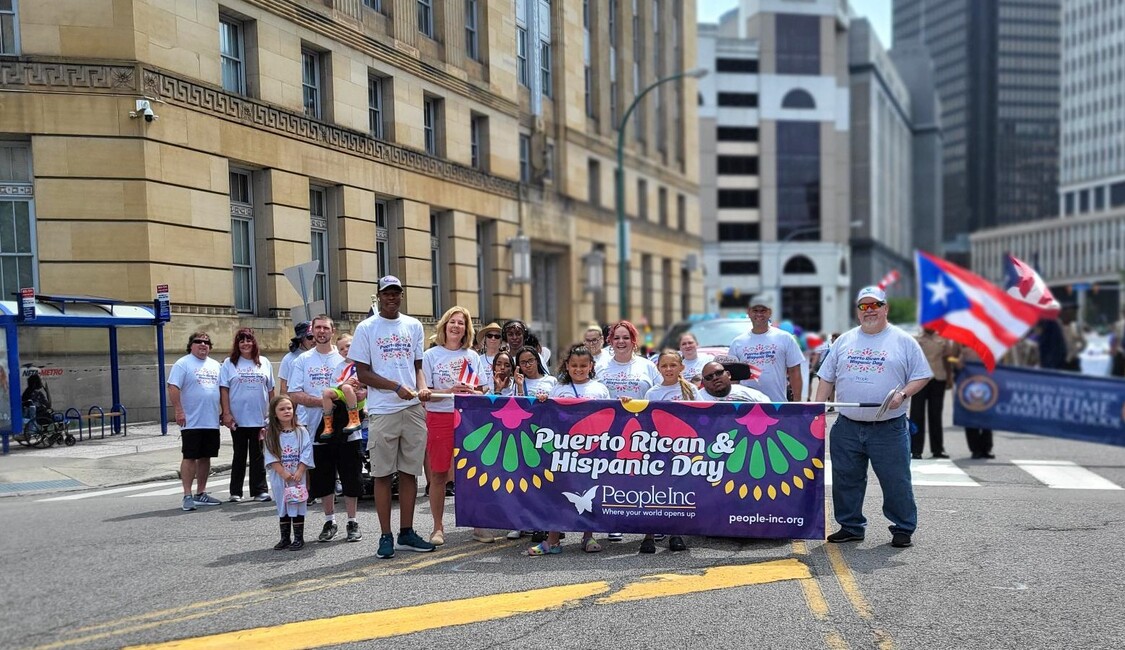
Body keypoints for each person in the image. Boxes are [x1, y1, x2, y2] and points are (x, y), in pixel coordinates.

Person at [815, 287, 932, 549]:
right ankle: (850, 526)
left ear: (886, 308)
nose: (869, 311)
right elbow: (827, 377)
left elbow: (921, 375)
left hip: (888, 427)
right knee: (846, 479)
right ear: (857, 312)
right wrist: (817, 409)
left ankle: (902, 527)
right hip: (847, 426)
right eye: (863, 306)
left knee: (896, 480)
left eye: (875, 305)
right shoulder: (844, 341)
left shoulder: (903, 340)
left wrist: (903, 393)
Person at [350, 275, 436, 558]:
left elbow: (417, 366)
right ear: (379, 295)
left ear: (401, 295)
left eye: (396, 293)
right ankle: (385, 536)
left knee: (410, 472)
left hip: (411, 409)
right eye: (387, 293)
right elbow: (362, 373)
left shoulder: (413, 326)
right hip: (383, 410)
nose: (392, 297)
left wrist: (421, 387)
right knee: (382, 475)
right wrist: (395, 387)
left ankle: (406, 532)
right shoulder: (366, 328)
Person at [528, 345, 611, 556]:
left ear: (591, 366)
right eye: (574, 365)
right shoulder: (558, 388)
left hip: (591, 451)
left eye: (584, 365)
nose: (579, 369)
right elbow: (549, 417)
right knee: (558, 493)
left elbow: (610, 417)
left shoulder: (600, 389)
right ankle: (552, 540)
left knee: (590, 492)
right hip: (563, 451)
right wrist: (543, 402)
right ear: (567, 366)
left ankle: (588, 536)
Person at [289, 317, 363, 544]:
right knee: (324, 477)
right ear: (312, 331)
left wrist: (362, 395)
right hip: (316, 427)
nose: (321, 331)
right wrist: (322, 403)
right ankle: (329, 521)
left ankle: (352, 521)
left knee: (351, 475)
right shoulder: (303, 360)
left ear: (332, 331)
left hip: (349, 425)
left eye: (325, 328)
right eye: (317, 328)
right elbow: (294, 393)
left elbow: (364, 386)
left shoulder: (345, 356)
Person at [419, 306, 488, 545]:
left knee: (470, 474)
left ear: (466, 329)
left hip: (469, 418)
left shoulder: (472, 356)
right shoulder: (431, 356)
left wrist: (473, 391)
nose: (456, 326)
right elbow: (423, 391)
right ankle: (437, 527)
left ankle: (478, 524)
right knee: (438, 474)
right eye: (452, 322)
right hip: (440, 417)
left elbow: (482, 389)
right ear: (444, 326)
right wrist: (448, 391)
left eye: (461, 323)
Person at [599, 320, 661, 542]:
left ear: (634, 341)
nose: (621, 342)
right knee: (615, 475)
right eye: (617, 338)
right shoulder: (601, 367)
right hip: (611, 431)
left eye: (626, 337)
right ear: (610, 341)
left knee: (645, 475)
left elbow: (660, 393)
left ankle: (652, 522)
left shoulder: (648, 366)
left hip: (642, 431)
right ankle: (616, 522)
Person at [636, 349, 699, 553]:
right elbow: (645, 419)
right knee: (654, 491)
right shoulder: (653, 393)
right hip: (658, 449)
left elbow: (700, 417)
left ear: (682, 367)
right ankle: (649, 535)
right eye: (664, 365)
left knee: (677, 492)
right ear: (658, 368)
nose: (669, 369)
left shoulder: (690, 390)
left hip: (682, 450)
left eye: (673, 365)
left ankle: (676, 533)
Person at [167, 331, 223, 511]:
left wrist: (224, 411)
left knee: (206, 457)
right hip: (192, 420)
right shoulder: (183, 364)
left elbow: (222, 390)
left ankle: (201, 493)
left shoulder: (216, 365)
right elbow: (173, 386)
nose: (203, 345)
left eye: (206, 342)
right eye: (198, 342)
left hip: (211, 419)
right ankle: (187, 495)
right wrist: (178, 410)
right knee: (190, 456)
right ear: (191, 345)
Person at [219, 328, 274, 502]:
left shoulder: (264, 362)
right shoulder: (229, 363)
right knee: (239, 455)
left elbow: (271, 390)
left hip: (259, 418)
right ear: (237, 344)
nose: (245, 344)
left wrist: (272, 415)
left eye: (248, 340)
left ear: (254, 342)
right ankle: (236, 491)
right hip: (238, 418)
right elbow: (224, 390)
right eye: (241, 340)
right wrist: (226, 413)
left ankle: (260, 490)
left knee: (258, 455)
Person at [728, 295, 804, 402]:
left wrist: (797, 402)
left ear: (769, 312)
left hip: (777, 404)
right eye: (755, 310)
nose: (759, 314)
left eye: (763, 310)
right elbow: (733, 378)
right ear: (749, 312)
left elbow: (794, 371)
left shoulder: (785, 338)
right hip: (746, 405)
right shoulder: (737, 342)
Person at [263, 395, 314, 550]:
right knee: (283, 504)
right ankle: (285, 537)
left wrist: (300, 470)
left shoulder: (301, 431)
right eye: (282, 409)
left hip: (297, 475)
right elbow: (270, 455)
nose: (286, 411)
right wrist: (282, 472)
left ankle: (299, 538)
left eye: (289, 408)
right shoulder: (271, 433)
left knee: (298, 503)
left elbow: (306, 451)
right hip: (281, 477)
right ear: (274, 413)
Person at [909, 328, 955, 460]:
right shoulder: (916, 339)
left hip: (938, 378)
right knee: (917, 415)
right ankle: (916, 450)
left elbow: (947, 359)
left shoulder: (942, 339)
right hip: (920, 380)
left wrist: (949, 377)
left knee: (936, 415)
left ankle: (938, 449)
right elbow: (911, 360)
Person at [318, 335, 365, 439]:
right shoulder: (340, 366)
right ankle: (328, 425)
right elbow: (334, 383)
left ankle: (354, 420)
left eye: (348, 346)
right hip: (344, 394)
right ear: (339, 353)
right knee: (326, 392)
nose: (346, 350)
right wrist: (343, 384)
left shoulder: (363, 363)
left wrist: (362, 385)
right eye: (342, 349)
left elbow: (369, 381)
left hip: (358, 397)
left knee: (347, 388)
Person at [953, 345, 995, 459]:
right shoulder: (966, 350)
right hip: (970, 387)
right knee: (971, 418)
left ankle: (986, 448)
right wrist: (961, 360)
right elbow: (958, 366)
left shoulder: (990, 349)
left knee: (987, 418)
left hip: (987, 385)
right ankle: (975, 449)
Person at [697, 359, 770, 403]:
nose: (715, 378)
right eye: (709, 377)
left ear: (728, 375)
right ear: (704, 382)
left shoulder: (751, 395)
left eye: (719, 373)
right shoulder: (695, 400)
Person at [277, 322, 314, 396]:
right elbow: (284, 387)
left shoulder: (321, 355)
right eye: (310, 337)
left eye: (315, 336)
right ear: (301, 339)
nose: (314, 340)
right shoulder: (289, 358)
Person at [476, 322, 504, 386]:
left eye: (497, 336)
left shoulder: (505, 359)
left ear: (501, 341)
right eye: (489, 336)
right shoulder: (478, 359)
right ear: (484, 339)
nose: (493, 338)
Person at [1111, 307, 1125, 377]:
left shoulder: (1118, 324)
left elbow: (1115, 341)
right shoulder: (1119, 325)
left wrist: (1113, 353)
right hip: (1120, 353)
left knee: (1117, 378)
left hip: (1120, 354)